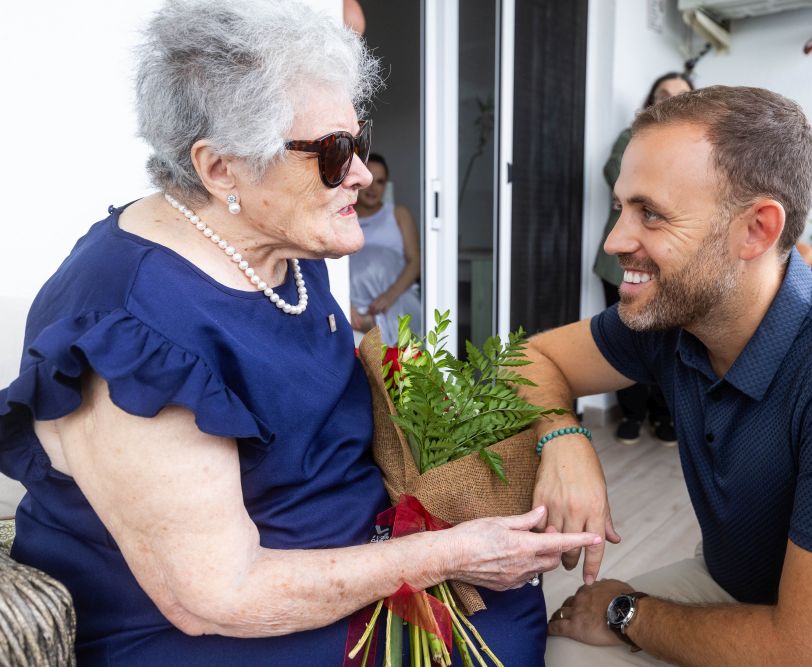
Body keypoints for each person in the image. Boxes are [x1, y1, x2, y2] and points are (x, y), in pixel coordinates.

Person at [0, 2, 601, 664]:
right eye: (333, 153)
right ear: (221, 168)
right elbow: (216, 596)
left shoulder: (281, 244)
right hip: (215, 624)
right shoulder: (133, 322)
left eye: (358, 139)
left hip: (342, 553)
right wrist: (449, 552)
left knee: (509, 612)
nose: (362, 173)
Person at [525, 86, 812, 665]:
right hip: (752, 594)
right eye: (622, 207)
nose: (615, 240)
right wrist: (564, 436)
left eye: (651, 213)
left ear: (755, 230)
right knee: (566, 651)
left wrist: (629, 613)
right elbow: (530, 360)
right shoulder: (672, 317)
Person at [594, 72, 693, 446]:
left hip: (670, 256)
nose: (669, 101)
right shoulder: (630, 138)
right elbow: (616, 176)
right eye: (662, 94)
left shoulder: (698, 146)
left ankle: (663, 414)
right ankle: (632, 413)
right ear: (651, 98)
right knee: (625, 333)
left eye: (679, 96)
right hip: (618, 260)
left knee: (670, 337)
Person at [349, 153, 422, 344]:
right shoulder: (344, 217)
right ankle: (368, 322)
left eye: (380, 182)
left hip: (392, 297)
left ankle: (375, 323)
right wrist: (344, 303)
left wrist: (389, 297)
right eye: (370, 180)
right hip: (353, 304)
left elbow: (415, 262)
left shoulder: (398, 214)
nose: (373, 188)